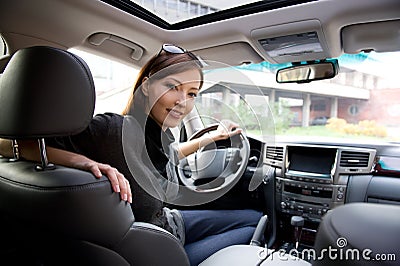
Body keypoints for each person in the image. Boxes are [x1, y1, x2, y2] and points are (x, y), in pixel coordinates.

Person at [0, 44, 262, 265]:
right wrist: (85, 162)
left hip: (168, 222)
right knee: (256, 227)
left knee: (254, 217)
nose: (183, 101)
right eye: (173, 86)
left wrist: (210, 138)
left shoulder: (158, 134)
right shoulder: (112, 130)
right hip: (157, 246)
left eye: (192, 93)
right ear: (146, 86)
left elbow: (171, 154)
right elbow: (9, 143)